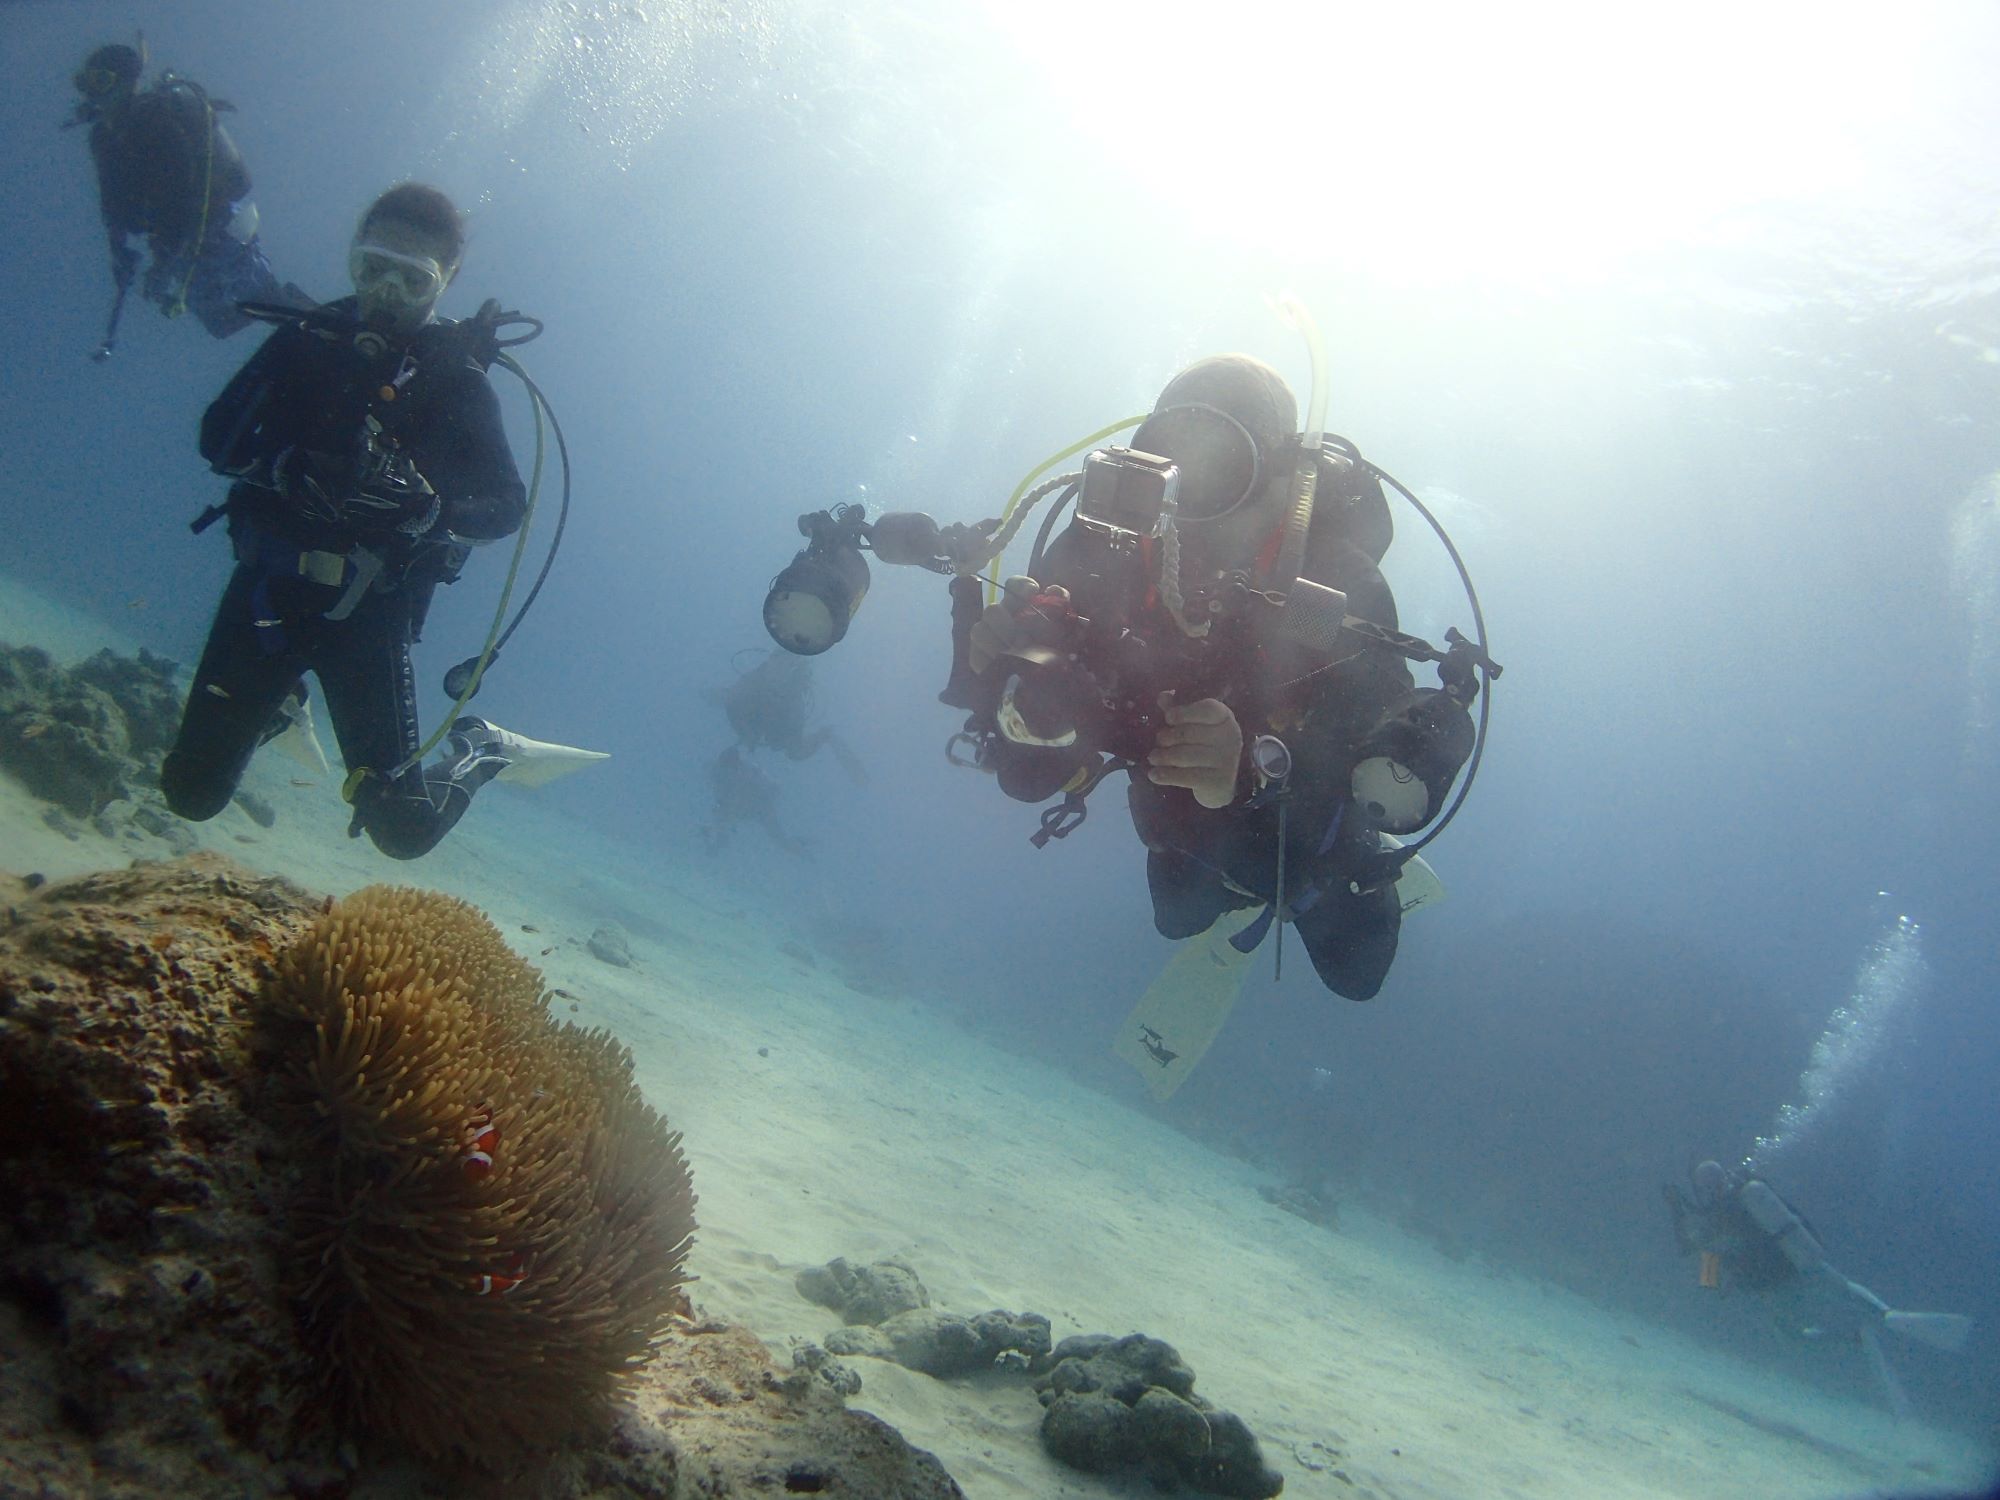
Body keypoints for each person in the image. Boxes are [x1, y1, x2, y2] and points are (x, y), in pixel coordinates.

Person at [960, 355, 1476, 1000]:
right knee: (1175, 919)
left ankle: (1337, 880)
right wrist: (1011, 691)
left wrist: (1255, 764)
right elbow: (1025, 780)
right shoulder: (1106, 549)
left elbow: (1370, 715)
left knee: (1353, 973)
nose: (1194, 494)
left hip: (1298, 825)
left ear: (1283, 475)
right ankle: (1223, 881)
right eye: (1173, 458)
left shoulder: (1321, 587)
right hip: (1170, 801)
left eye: (1223, 463)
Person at [162, 182, 583, 860]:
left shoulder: (457, 379)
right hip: (266, 596)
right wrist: (282, 465)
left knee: (402, 831)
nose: (385, 292)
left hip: (368, 618)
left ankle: (483, 751)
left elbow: (506, 505)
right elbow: (218, 434)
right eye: (372, 268)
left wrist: (428, 512)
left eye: (411, 278)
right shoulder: (306, 340)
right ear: (354, 258)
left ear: (445, 282)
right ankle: (279, 702)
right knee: (189, 794)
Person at [1663, 1159, 1971, 1418]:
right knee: (1846, 1288)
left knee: (1792, 1337)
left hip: (1773, 1285)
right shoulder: (1751, 1189)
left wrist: (1679, 1212)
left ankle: (1852, 1338)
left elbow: (1705, 1265)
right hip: (1801, 1261)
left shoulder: (1719, 1213)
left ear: (1703, 1186)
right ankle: (1887, 1314)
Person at [67, 40, 301, 349]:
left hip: (213, 226)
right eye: (85, 83)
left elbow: (182, 185)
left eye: (101, 81)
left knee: (267, 300)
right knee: (223, 323)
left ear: (127, 81)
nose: (93, 94)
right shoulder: (103, 139)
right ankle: (290, 353)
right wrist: (119, 250)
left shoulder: (153, 116)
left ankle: (313, 332)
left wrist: (166, 257)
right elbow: (112, 206)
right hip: (174, 243)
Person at [717, 649, 868, 784]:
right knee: (733, 699)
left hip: (777, 729)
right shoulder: (749, 685)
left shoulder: (793, 703)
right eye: (777, 665)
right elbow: (733, 700)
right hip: (753, 720)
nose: (778, 673)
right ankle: (827, 736)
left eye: (786, 668)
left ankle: (828, 735)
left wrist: (823, 737)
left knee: (794, 752)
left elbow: (796, 748)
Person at [699, 746, 809, 857]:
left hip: (761, 807)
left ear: (736, 765)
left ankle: (802, 852)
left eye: (730, 767)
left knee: (778, 837)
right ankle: (719, 843)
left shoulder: (749, 771)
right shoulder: (715, 770)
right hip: (739, 806)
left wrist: (760, 800)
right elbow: (719, 794)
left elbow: (774, 788)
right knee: (720, 813)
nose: (728, 771)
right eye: (724, 765)